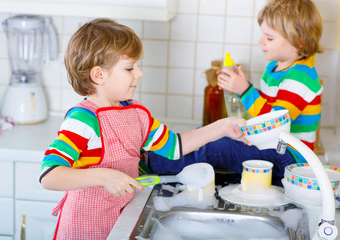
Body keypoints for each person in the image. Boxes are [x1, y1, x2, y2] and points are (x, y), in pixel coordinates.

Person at [39, 18, 249, 240]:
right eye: (130, 67)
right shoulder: (83, 120)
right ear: (99, 75)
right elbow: (49, 175)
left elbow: (175, 146)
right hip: (83, 228)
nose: (138, 73)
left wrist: (222, 127)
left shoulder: (136, 113)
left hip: (121, 221)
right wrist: (103, 176)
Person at [147, 0, 324, 185]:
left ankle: (151, 162)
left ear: (299, 42)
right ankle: (159, 154)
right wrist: (240, 87)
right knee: (208, 134)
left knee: (215, 148)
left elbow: (274, 124)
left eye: (269, 38)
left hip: (291, 157)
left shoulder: (301, 77)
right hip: (274, 147)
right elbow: (268, 105)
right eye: (263, 34)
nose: (260, 40)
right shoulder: (276, 66)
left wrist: (245, 90)